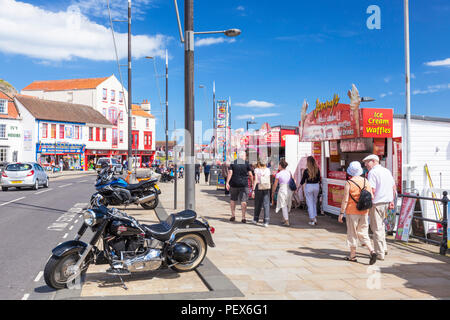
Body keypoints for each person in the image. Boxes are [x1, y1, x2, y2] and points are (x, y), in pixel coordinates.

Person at [338, 161, 377, 265]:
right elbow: (371, 197)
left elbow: (345, 200)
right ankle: (372, 251)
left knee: (352, 233)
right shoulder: (365, 181)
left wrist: (341, 213)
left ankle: (353, 256)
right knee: (363, 232)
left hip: (352, 211)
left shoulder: (349, 183)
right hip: (364, 211)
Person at [363, 154, 396, 261]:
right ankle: (384, 248)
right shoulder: (387, 171)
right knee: (381, 226)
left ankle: (379, 253)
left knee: (376, 228)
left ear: (373, 161)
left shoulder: (372, 172)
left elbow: (372, 190)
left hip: (377, 203)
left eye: (367, 162)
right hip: (386, 202)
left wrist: (368, 204)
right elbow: (393, 187)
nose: (365, 165)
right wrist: (391, 200)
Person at [226, 152, 253, 223]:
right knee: (243, 201)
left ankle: (233, 215)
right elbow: (250, 174)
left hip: (234, 184)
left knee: (233, 199)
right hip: (244, 184)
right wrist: (252, 182)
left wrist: (227, 182)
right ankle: (243, 217)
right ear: (243, 156)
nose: (245, 157)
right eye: (245, 156)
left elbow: (230, 173)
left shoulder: (233, 163)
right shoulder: (246, 163)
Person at [300, 156, 321, 226]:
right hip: (316, 186)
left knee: (310, 203)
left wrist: (298, 188)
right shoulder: (317, 169)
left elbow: (303, 181)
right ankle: (314, 217)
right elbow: (319, 179)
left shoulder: (306, 170)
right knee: (314, 202)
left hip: (309, 186)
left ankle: (312, 219)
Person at [272, 158, 294, 226]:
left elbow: (275, 185)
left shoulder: (278, 174)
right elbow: (293, 180)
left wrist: (273, 192)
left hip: (282, 190)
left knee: (283, 205)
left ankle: (287, 220)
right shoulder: (289, 172)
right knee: (286, 204)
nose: (278, 166)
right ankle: (284, 219)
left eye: (279, 165)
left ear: (281, 166)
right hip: (289, 190)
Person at [252, 160, 271, 227]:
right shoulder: (268, 170)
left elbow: (256, 180)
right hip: (266, 187)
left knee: (258, 203)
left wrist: (253, 190)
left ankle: (255, 219)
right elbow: (268, 179)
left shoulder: (257, 170)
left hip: (259, 187)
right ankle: (266, 221)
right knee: (266, 204)